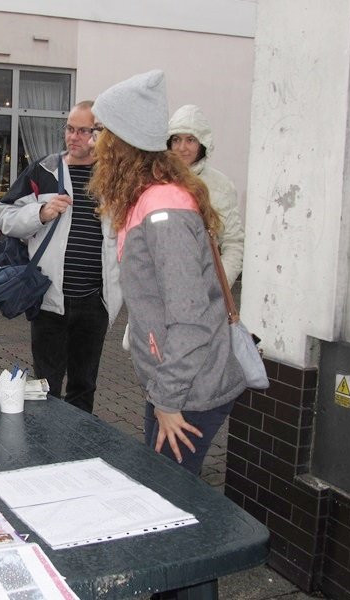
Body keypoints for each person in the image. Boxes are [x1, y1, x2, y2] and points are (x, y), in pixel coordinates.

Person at [89, 70, 247, 475]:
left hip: (188, 389)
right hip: (176, 383)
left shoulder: (164, 210)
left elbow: (190, 318)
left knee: (173, 499)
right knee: (170, 491)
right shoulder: (151, 199)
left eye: (101, 131)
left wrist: (168, 401)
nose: (94, 142)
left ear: (123, 142)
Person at [0, 101, 122, 414]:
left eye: (84, 130)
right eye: (70, 128)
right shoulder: (44, 170)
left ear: (100, 134)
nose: (74, 137)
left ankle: (76, 451)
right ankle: (45, 450)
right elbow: (4, 216)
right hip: (49, 300)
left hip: (95, 303)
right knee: (46, 387)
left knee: (83, 386)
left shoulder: (114, 178)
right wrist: (40, 212)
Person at [168, 104, 244, 286]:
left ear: (202, 143)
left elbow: (233, 244)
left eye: (190, 140)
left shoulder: (220, 186)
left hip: (202, 289)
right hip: (161, 290)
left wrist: (216, 287)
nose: (182, 148)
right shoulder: (156, 181)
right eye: (176, 139)